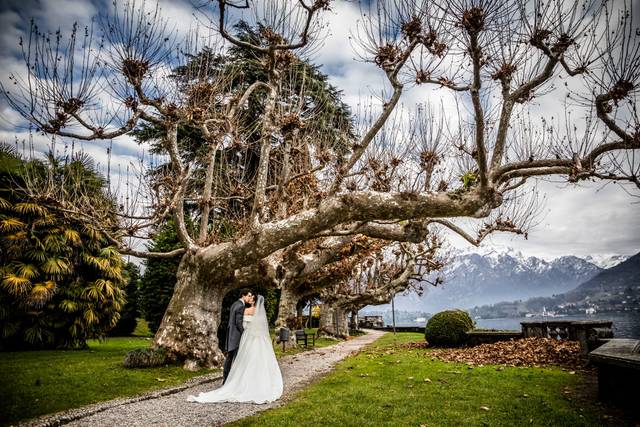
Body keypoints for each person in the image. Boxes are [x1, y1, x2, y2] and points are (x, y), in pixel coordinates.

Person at [186, 294, 283, 404]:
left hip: (248, 338)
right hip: (259, 339)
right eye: (249, 296)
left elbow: (242, 324)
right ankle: (259, 383)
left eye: (251, 298)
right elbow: (261, 327)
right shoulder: (260, 313)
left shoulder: (246, 310)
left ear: (253, 301)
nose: (250, 299)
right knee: (258, 361)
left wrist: (247, 331)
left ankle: (240, 383)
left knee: (245, 361)